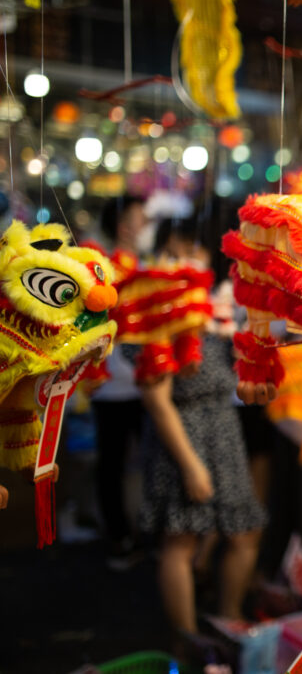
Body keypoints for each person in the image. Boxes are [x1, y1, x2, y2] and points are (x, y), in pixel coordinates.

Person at [138, 218, 266, 632]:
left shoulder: (216, 307)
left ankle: (228, 617)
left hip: (224, 428)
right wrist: (191, 465)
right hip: (182, 435)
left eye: (193, 251)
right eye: (174, 252)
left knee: (244, 531)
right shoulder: (156, 311)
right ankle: (187, 639)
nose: (186, 261)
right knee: (180, 540)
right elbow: (157, 403)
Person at [92, 195, 151, 569]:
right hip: (113, 383)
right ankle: (118, 537)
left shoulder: (147, 264)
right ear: (124, 225)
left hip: (147, 381)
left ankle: (145, 531)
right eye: (140, 218)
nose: (145, 225)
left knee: (148, 461)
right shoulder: (100, 268)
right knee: (112, 463)